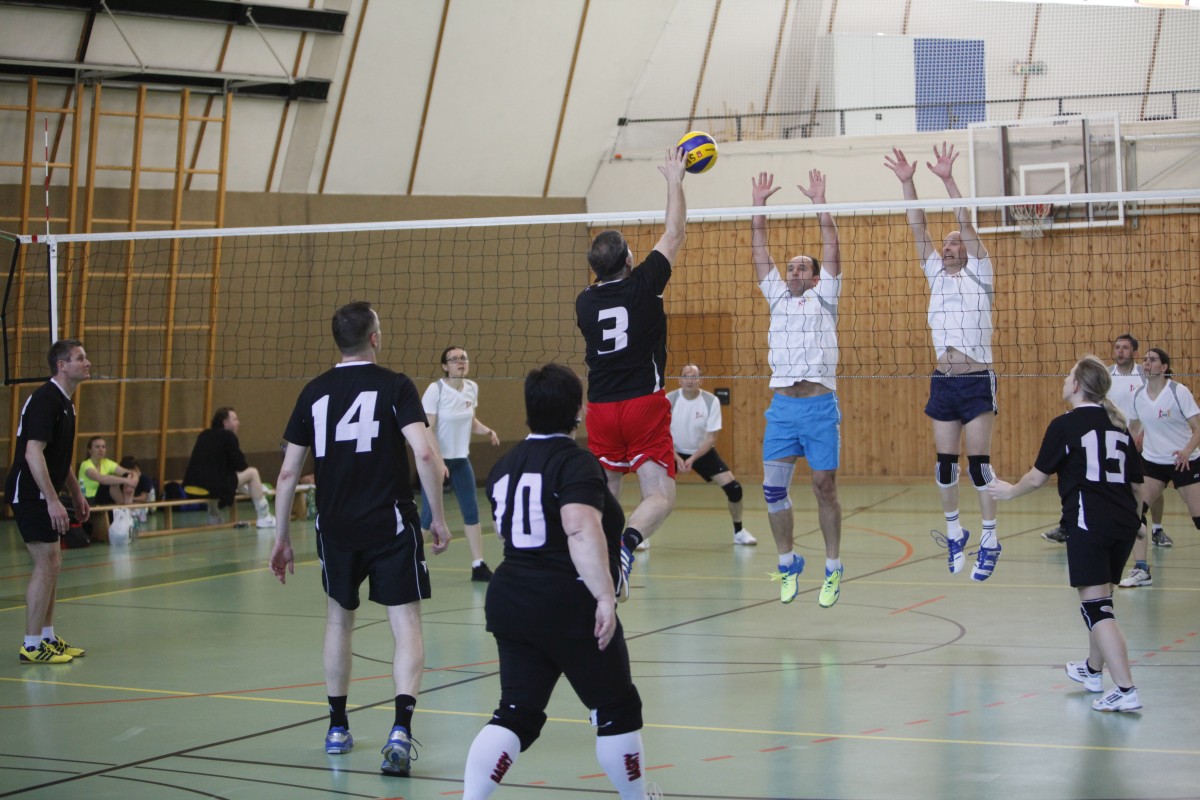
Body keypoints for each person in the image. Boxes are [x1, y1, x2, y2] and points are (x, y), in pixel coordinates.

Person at [269, 301, 451, 776]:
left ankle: (336, 728)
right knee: (405, 622)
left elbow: (287, 472)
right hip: (390, 524)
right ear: (374, 338)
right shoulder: (396, 385)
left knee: (338, 620)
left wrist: (282, 537)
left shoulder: (313, 392)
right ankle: (400, 730)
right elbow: (425, 456)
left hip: (336, 527)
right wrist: (436, 517)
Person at [462, 364, 654, 800]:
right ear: (579, 412)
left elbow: (508, 534)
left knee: (516, 713)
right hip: (567, 601)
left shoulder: (504, 465)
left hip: (511, 598)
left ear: (528, 412)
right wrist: (604, 596)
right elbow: (580, 528)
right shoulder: (575, 461)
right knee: (617, 708)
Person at [988, 356, 1143, 712]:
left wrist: (1008, 492)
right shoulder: (1119, 427)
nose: (1064, 380)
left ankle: (1126, 689)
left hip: (1090, 524)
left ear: (1077, 385)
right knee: (1102, 601)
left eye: (1068, 376)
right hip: (1123, 524)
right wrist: (1134, 523)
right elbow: (1137, 486)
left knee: (1097, 609)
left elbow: (1036, 478)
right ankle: (1092, 671)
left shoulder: (1065, 425)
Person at [575, 145, 687, 600]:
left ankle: (599, 569)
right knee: (660, 496)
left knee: (607, 492)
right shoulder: (644, 284)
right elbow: (675, 232)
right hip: (643, 403)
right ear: (628, 260)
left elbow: (607, 279)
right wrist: (674, 180)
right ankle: (627, 542)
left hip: (601, 408)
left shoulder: (584, 302)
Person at [885, 143, 1001, 581]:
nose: (949, 246)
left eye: (955, 242)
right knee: (945, 465)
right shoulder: (935, 272)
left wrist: (948, 179)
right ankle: (955, 532)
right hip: (943, 380)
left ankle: (990, 538)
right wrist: (907, 181)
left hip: (977, 379)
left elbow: (965, 223)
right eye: (946, 243)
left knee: (979, 465)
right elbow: (917, 226)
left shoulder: (980, 273)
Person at [751, 170, 846, 608]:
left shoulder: (825, 296)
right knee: (773, 490)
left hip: (819, 406)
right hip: (783, 408)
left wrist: (820, 202)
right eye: (790, 267)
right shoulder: (776, 296)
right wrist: (758, 206)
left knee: (824, 486)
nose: (793, 271)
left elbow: (831, 245)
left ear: (815, 276)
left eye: (802, 267)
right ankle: (788, 562)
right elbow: (759, 249)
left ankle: (833, 567)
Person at [5, 340, 92, 664]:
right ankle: (31, 645)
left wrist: (76, 494)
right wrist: (53, 501)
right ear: (62, 366)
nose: (87, 362)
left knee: (53, 564)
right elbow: (33, 453)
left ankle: (46, 637)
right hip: (30, 494)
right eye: (80, 358)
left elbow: (60, 458)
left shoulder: (67, 403)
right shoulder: (46, 399)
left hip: (45, 493)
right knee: (46, 564)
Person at [1042, 333, 1171, 546]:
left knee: (1148, 484)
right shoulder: (1107, 375)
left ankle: (1156, 529)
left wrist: (1143, 433)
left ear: (1134, 352)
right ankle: (1069, 525)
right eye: (1117, 347)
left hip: (1141, 439)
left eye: (1125, 348)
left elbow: (1155, 403)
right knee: (1091, 480)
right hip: (1112, 438)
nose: (1120, 351)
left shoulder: (1143, 374)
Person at [1118, 348, 1200, 588]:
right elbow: (1134, 426)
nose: (1146, 363)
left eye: (1152, 360)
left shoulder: (1178, 391)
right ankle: (1141, 569)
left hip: (1185, 461)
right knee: (1135, 513)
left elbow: (1198, 427)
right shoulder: (1138, 395)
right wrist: (1132, 440)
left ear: (1164, 367)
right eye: (1145, 359)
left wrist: (1186, 450)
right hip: (1153, 462)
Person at [420, 346, 501, 582]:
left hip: (460, 460)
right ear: (445, 366)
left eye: (463, 358)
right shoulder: (436, 390)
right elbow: (427, 429)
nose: (460, 362)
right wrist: (439, 461)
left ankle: (478, 565)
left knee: (471, 511)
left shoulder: (471, 388)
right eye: (454, 359)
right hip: (436, 463)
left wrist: (488, 431)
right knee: (427, 516)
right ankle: (408, 562)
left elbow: (470, 420)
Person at [665, 364, 756, 547]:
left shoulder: (710, 401)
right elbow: (661, 434)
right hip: (671, 450)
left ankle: (739, 532)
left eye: (694, 377)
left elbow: (711, 438)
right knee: (654, 491)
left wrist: (692, 459)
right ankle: (642, 535)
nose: (690, 381)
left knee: (734, 488)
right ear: (679, 380)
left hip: (701, 451)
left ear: (701, 380)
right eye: (686, 376)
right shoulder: (669, 400)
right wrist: (677, 458)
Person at [183, 406, 275, 528]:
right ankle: (264, 516)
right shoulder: (228, 436)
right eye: (235, 419)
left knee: (214, 479)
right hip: (211, 488)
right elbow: (241, 466)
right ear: (225, 422)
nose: (238, 423)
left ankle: (214, 516)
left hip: (190, 487)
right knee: (252, 473)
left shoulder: (204, 434)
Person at [78, 436, 138, 510]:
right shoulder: (85, 465)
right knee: (112, 483)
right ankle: (125, 509)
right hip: (88, 499)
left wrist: (134, 480)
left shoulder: (106, 462)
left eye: (103, 447)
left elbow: (131, 472)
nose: (101, 450)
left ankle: (127, 507)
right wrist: (127, 481)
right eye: (97, 447)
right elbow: (101, 479)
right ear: (89, 450)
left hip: (103, 498)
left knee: (128, 476)